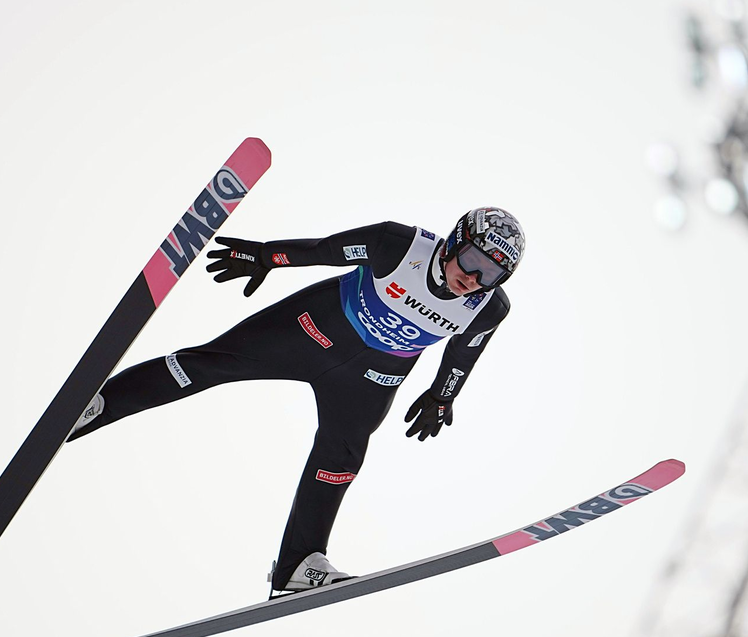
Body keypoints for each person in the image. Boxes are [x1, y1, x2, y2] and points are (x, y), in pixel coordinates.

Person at [66, 207, 526, 596]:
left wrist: (442, 398)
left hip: (371, 378)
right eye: (472, 261)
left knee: (341, 459)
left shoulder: (489, 307)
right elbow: (324, 250)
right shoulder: (397, 246)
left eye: (491, 274)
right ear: (453, 241)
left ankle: (298, 566)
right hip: (309, 330)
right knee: (206, 365)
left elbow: (464, 353)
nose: (473, 278)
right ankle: (99, 405)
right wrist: (268, 256)